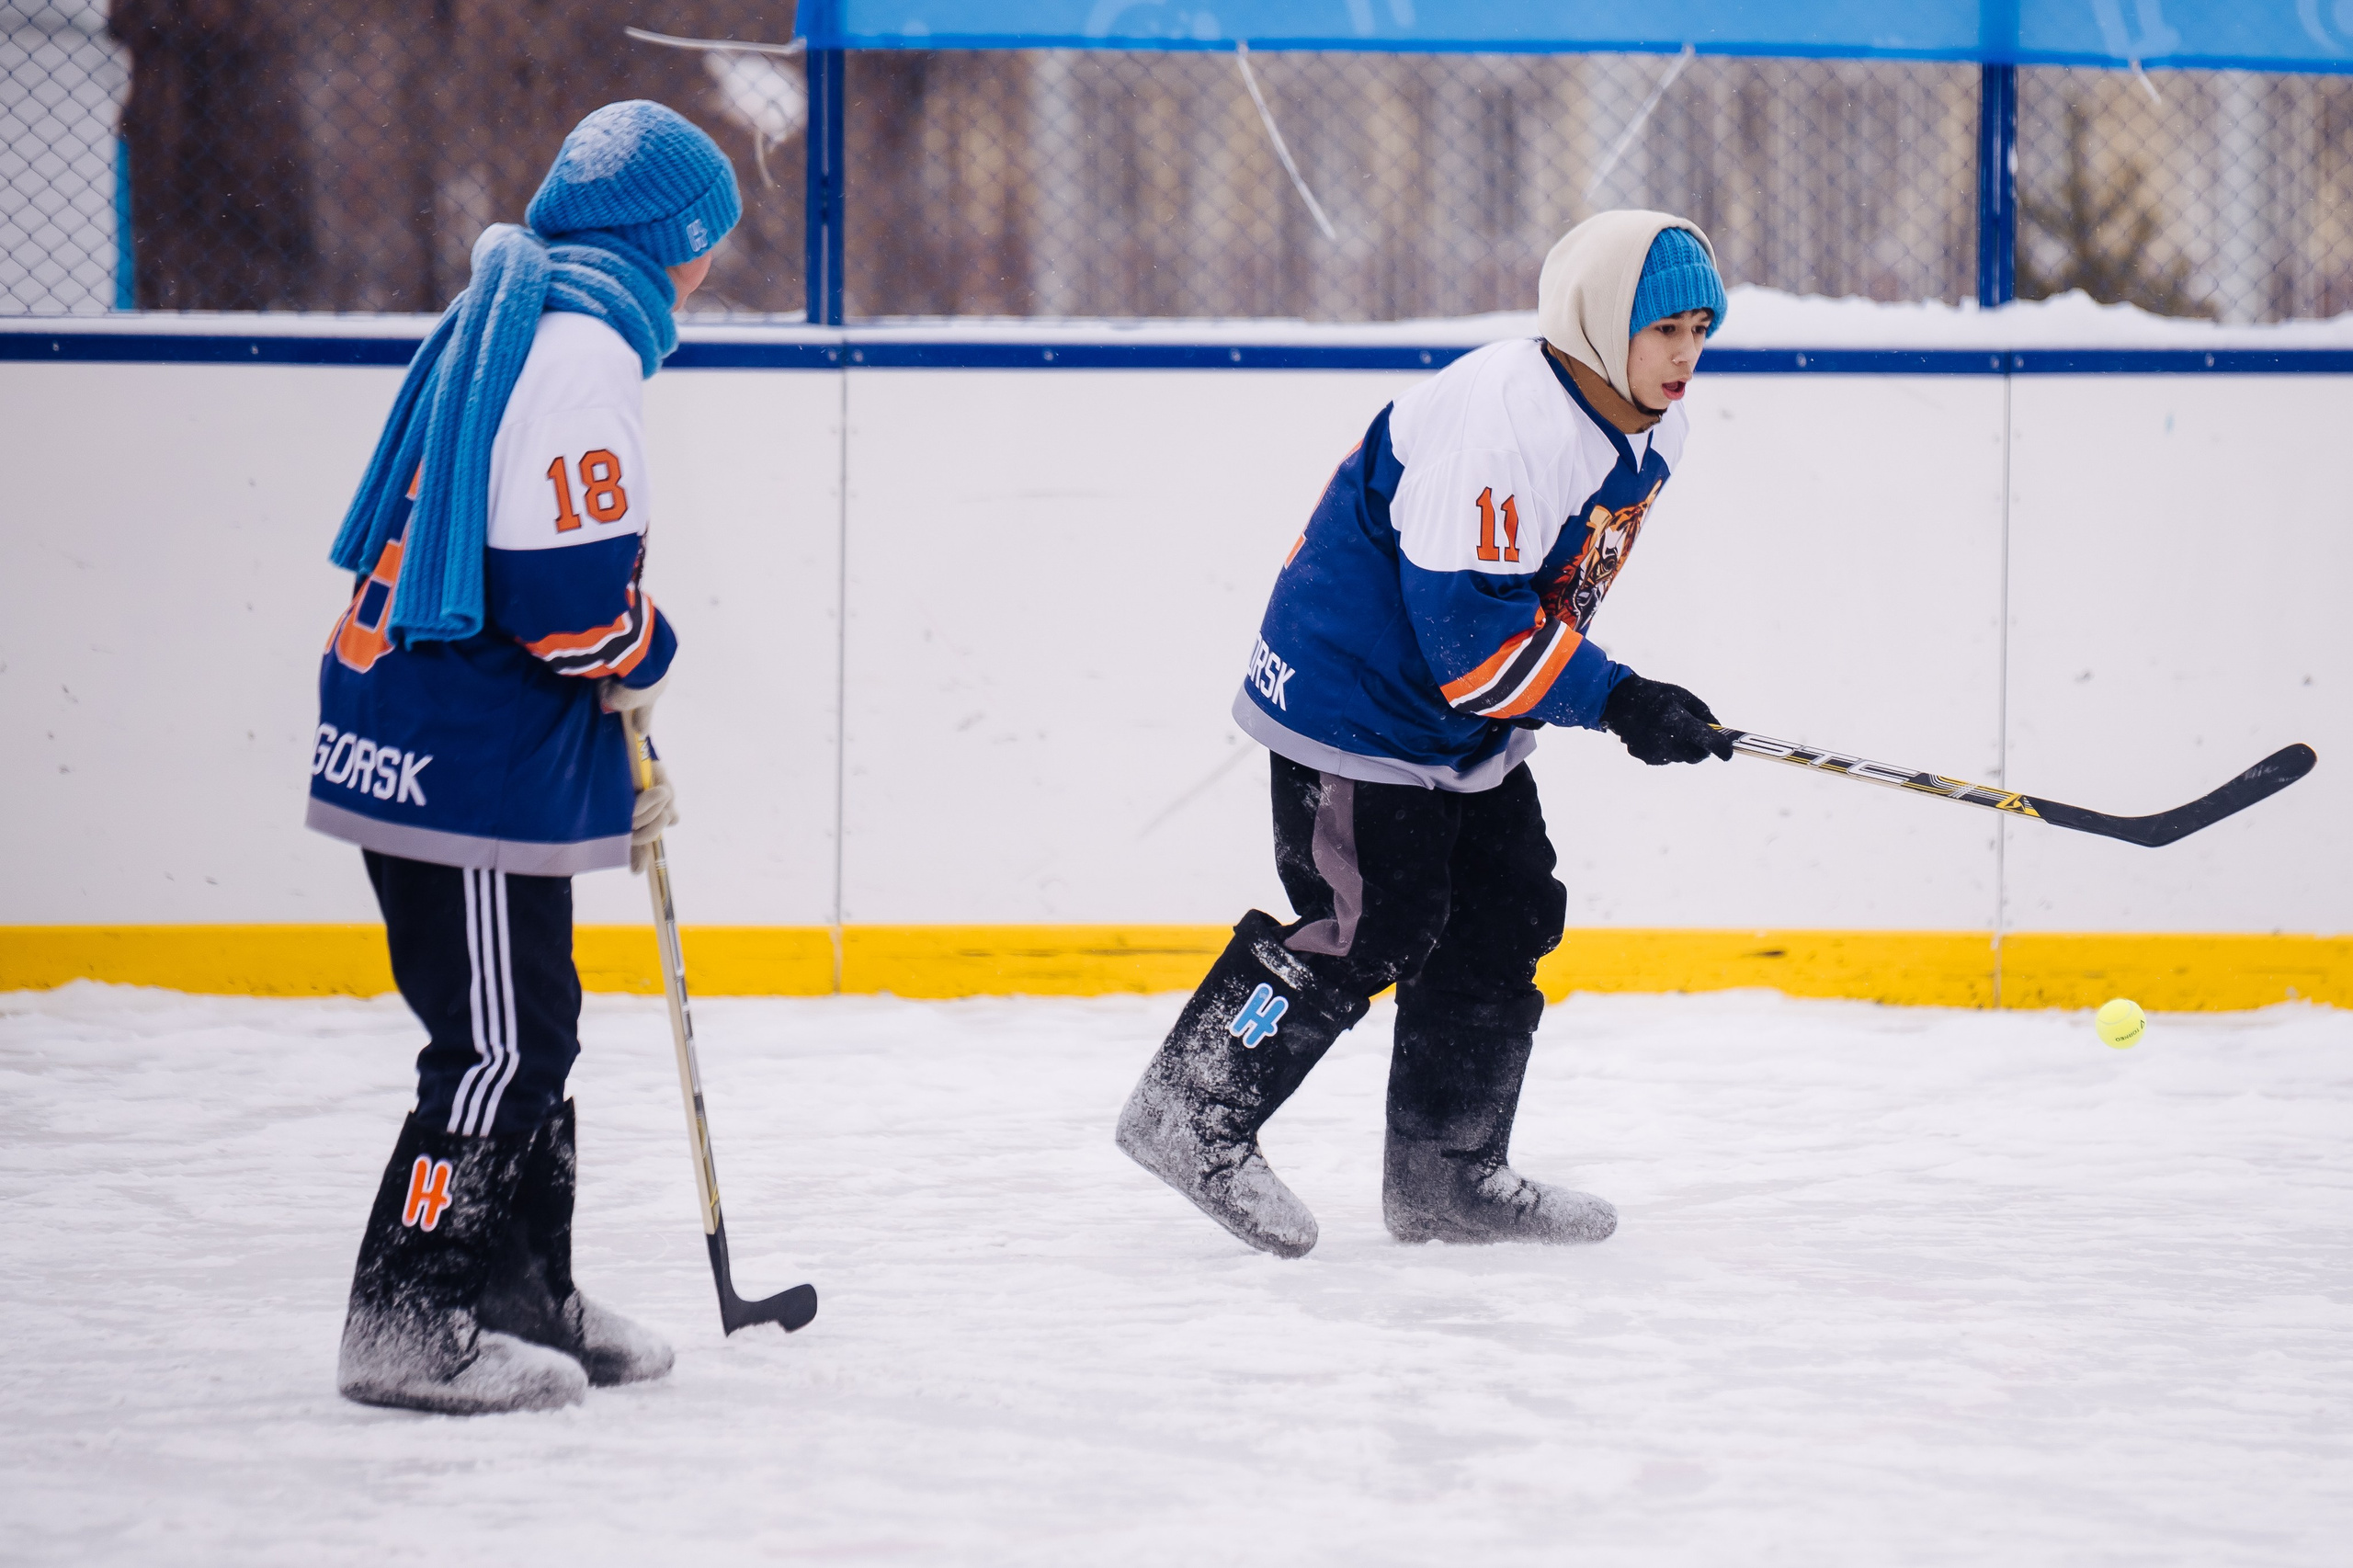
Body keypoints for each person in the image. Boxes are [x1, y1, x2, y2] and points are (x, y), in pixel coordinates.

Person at [1118, 210, 1734, 1259]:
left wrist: (1614, 692)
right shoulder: (1498, 425)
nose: (1685, 353)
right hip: (1356, 696)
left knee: (1505, 910)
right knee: (1375, 920)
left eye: (1699, 328)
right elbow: (1467, 635)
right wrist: (1620, 698)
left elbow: (1539, 597)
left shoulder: (1650, 425)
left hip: (1458, 708)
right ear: (1594, 323)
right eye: (1662, 327)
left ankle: (1448, 1177)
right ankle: (1195, 1107)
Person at [309, 102, 740, 1413]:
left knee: (525, 1026)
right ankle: (409, 1308)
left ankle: (516, 1292)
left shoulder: (530, 318)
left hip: (449, 746)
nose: (715, 261)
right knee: (496, 1045)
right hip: (463, 760)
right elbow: (564, 603)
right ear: (671, 239)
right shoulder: (580, 352)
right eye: (710, 234)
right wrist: (648, 649)